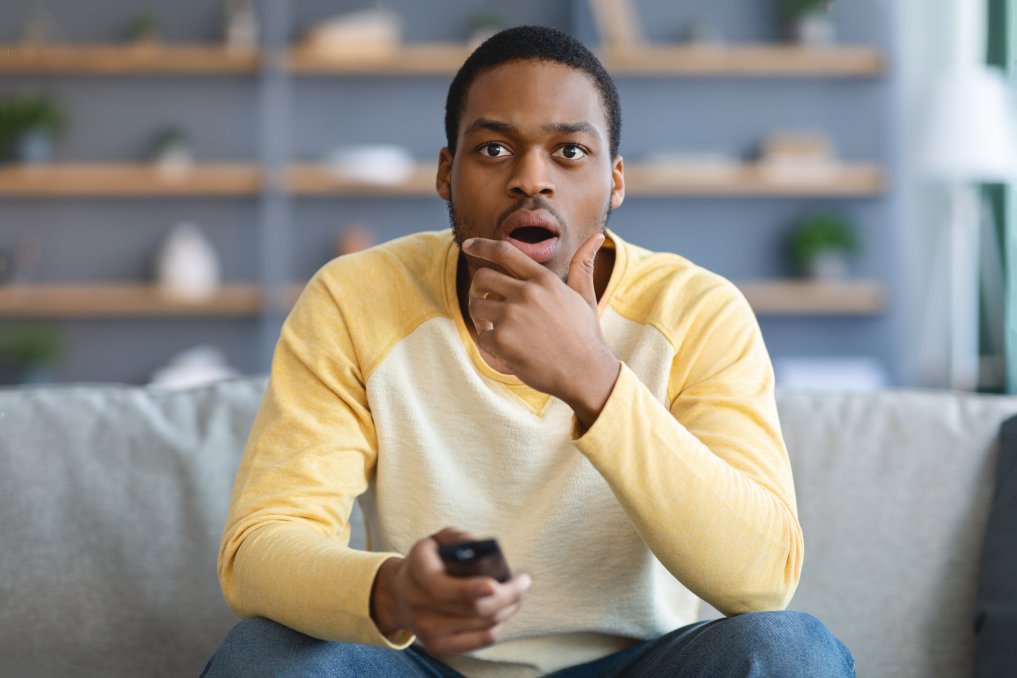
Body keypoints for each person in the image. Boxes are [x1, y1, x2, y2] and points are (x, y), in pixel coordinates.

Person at [202, 25, 854, 677]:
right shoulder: (354, 299)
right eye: (491, 148)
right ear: (444, 173)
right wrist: (394, 592)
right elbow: (259, 551)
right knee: (263, 658)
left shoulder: (698, 311)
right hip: (427, 667)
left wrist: (592, 379)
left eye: (568, 150)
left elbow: (762, 579)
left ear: (615, 180)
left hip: (641, 665)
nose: (529, 179)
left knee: (791, 653)